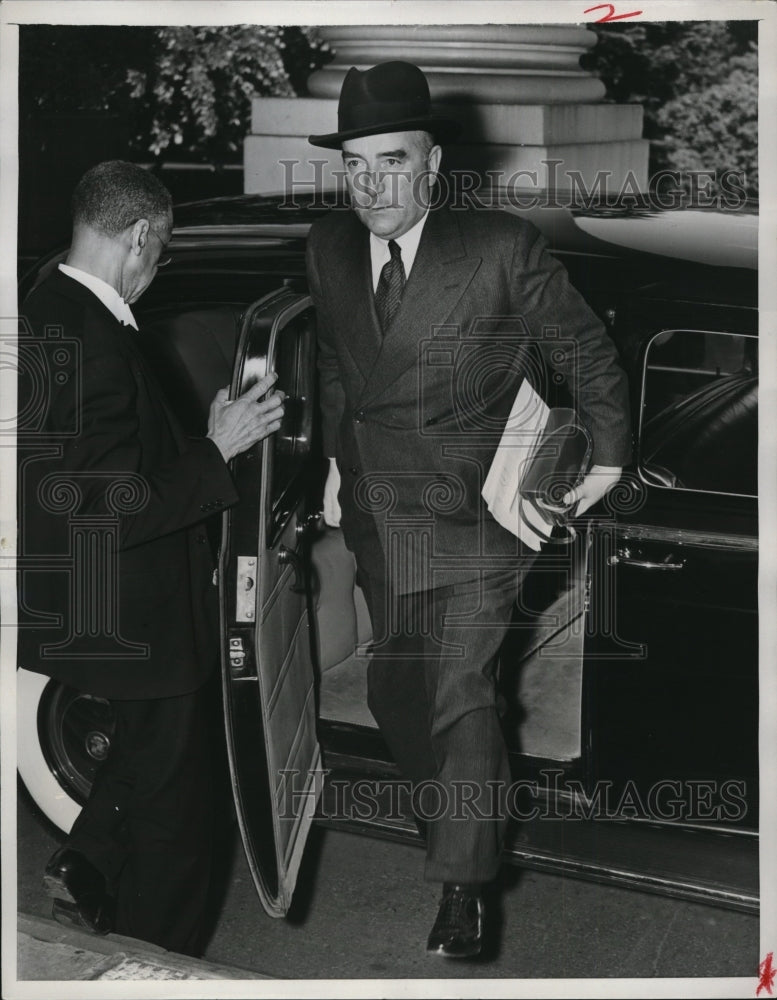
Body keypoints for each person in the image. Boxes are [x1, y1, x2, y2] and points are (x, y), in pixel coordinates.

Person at [306, 62, 632, 958]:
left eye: (393, 161)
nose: (373, 184)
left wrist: (604, 459)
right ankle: (453, 820)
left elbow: (587, 353)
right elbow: (336, 363)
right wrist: (339, 464)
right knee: (393, 690)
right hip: (378, 511)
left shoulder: (497, 247)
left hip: (475, 521)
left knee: (461, 697)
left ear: (432, 162)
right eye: (357, 163)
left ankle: (463, 883)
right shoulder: (328, 246)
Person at [18, 160, 284, 955]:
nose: (157, 269)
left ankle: (87, 864)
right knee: (180, 838)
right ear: (139, 236)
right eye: (161, 252)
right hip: (140, 624)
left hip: (100, 614)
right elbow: (97, 500)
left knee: (138, 769)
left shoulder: (50, 300)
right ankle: (153, 966)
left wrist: (187, 437)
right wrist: (213, 451)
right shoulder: (91, 338)